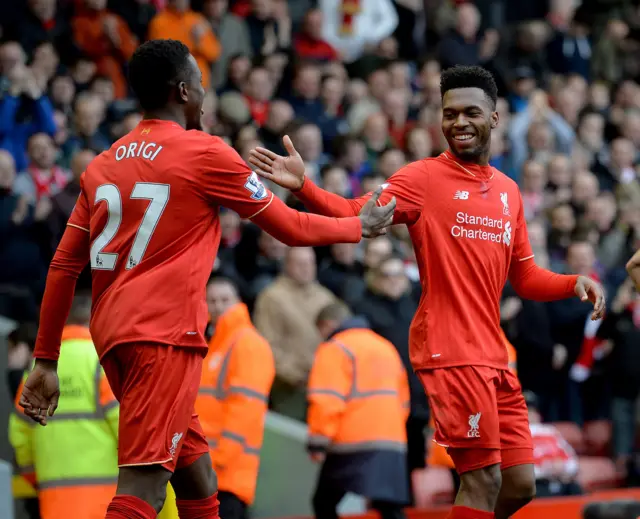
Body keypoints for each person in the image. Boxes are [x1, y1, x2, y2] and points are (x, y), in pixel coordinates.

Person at [17, 39, 395, 519]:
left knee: (198, 479)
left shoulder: (103, 164)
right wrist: (356, 227)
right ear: (183, 91)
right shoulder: (205, 153)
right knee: (146, 486)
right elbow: (290, 228)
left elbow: (63, 266)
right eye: (200, 83)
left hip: (116, 337)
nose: (204, 93)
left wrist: (46, 359)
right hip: (163, 336)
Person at [248, 65, 606, 519]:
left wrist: (573, 282)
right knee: (482, 478)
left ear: (494, 119)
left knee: (521, 484)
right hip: (449, 349)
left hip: (494, 353)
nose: (459, 122)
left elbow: (526, 276)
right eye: (449, 113)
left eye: (470, 112)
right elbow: (357, 210)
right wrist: (306, 187)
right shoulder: (422, 179)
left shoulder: (509, 192)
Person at [308, 302, 410, 519]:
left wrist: (318, 441)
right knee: (389, 507)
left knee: (323, 503)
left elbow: (327, 400)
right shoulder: (386, 347)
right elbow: (403, 402)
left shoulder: (335, 348)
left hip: (351, 443)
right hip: (391, 441)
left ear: (327, 325)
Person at [196, 276, 275, 519]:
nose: (218, 306)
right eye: (211, 300)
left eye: (224, 300)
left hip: (226, 470)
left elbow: (246, 408)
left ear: (238, 302)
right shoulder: (215, 345)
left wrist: (220, 458)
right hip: (208, 467)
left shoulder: (247, 344)